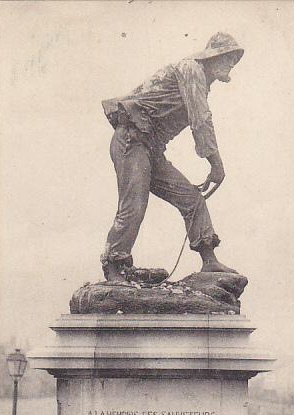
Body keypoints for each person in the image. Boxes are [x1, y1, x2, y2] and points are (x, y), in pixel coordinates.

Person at [101, 32, 244, 282]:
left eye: (235, 59)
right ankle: (115, 265)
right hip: (132, 140)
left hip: (151, 148)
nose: (232, 63)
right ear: (212, 56)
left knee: (191, 198)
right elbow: (201, 121)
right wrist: (216, 166)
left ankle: (209, 260)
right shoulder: (192, 70)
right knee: (134, 205)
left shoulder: (200, 79)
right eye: (228, 57)